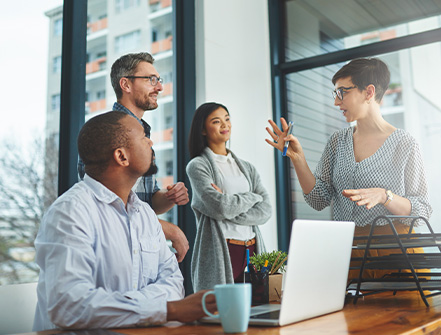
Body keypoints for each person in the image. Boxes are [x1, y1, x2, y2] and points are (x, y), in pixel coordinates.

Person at [33, 111, 216, 331]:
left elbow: (174, 282)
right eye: (142, 137)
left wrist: (123, 306)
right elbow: (69, 306)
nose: (150, 141)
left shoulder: (145, 214)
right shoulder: (69, 213)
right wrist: (168, 310)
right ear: (122, 157)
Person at [266, 58, 432, 280]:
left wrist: (384, 196)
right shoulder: (337, 142)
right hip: (347, 254)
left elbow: (423, 210)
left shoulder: (405, 143)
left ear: (369, 92)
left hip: (396, 254)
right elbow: (318, 199)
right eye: (335, 93)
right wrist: (298, 158)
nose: (336, 102)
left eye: (342, 92)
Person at [78, 52, 189, 262]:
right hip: (115, 252)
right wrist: (169, 230)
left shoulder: (144, 134)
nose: (159, 87)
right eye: (151, 80)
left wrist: (169, 197)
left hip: (141, 247)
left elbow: (148, 202)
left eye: (159, 80)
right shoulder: (105, 132)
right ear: (126, 85)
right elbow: (109, 207)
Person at [187, 102, 271, 291]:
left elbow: (266, 211)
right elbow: (221, 208)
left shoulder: (247, 167)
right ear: (202, 129)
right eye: (217, 121)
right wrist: (252, 197)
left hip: (252, 248)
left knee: (257, 310)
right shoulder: (198, 166)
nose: (225, 125)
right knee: (221, 312)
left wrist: (229, 204)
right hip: (224, 249)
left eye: (227, 119)